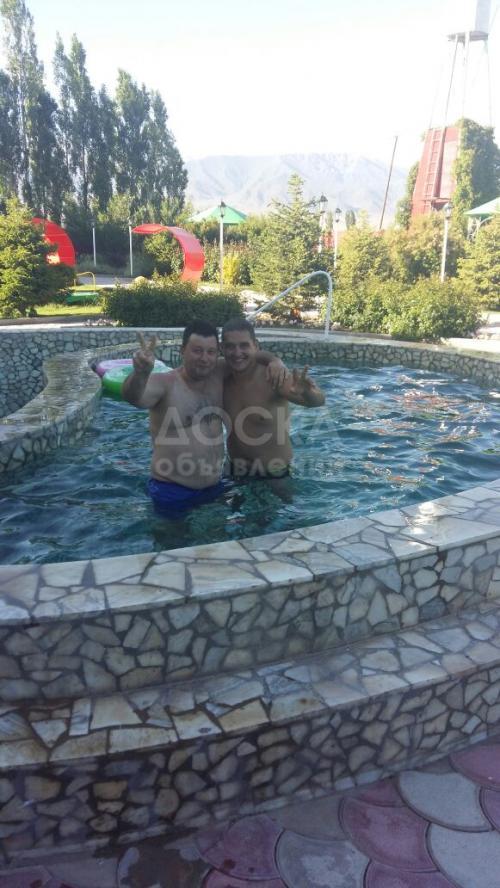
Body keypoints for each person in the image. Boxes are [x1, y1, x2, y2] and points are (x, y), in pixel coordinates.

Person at [122, 320, 286, 514]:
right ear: (182, 351)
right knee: (172, 535)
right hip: (172, 491)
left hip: (214, 488)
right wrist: (140, 374)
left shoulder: (218, 373)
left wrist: (274, 361)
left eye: (210, 352)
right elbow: (134, 397)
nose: (204, 358)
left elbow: (246, 355)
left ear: (218, 353)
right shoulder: (165, 384)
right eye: (197, 351)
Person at [222, 318, 325, 480]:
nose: (237, 353)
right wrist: (273, 358)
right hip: (234, 470)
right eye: (230, 346)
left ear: (255, 345)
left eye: (244, 345)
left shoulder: (273, 377)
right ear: (222, 348)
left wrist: (307, 392)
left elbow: (318, 402)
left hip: (275, 473)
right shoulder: (220, 377)